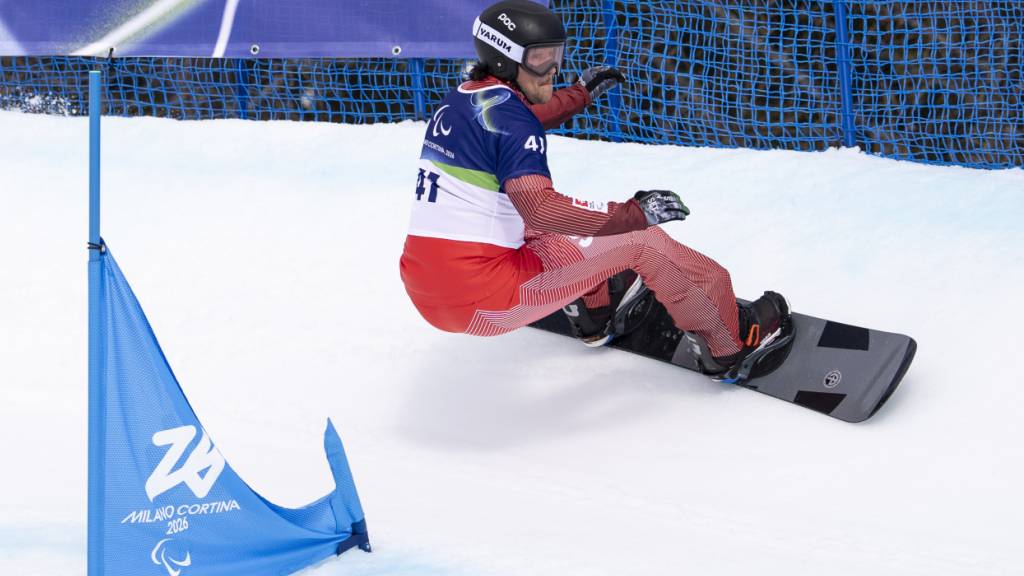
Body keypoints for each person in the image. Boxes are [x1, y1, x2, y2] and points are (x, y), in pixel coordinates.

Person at [399, 0, 789, 374]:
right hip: (484, 301)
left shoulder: (463, 100)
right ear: (505, 60)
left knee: (555, 218)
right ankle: (729, 342)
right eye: (540, 59)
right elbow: (541, 208)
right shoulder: (512, 122)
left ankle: (594, 309)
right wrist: (636, 214)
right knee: (640, 240)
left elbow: (521, 119)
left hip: (428, 288)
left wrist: (578, 95)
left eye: (556, 55)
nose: (552, 69)